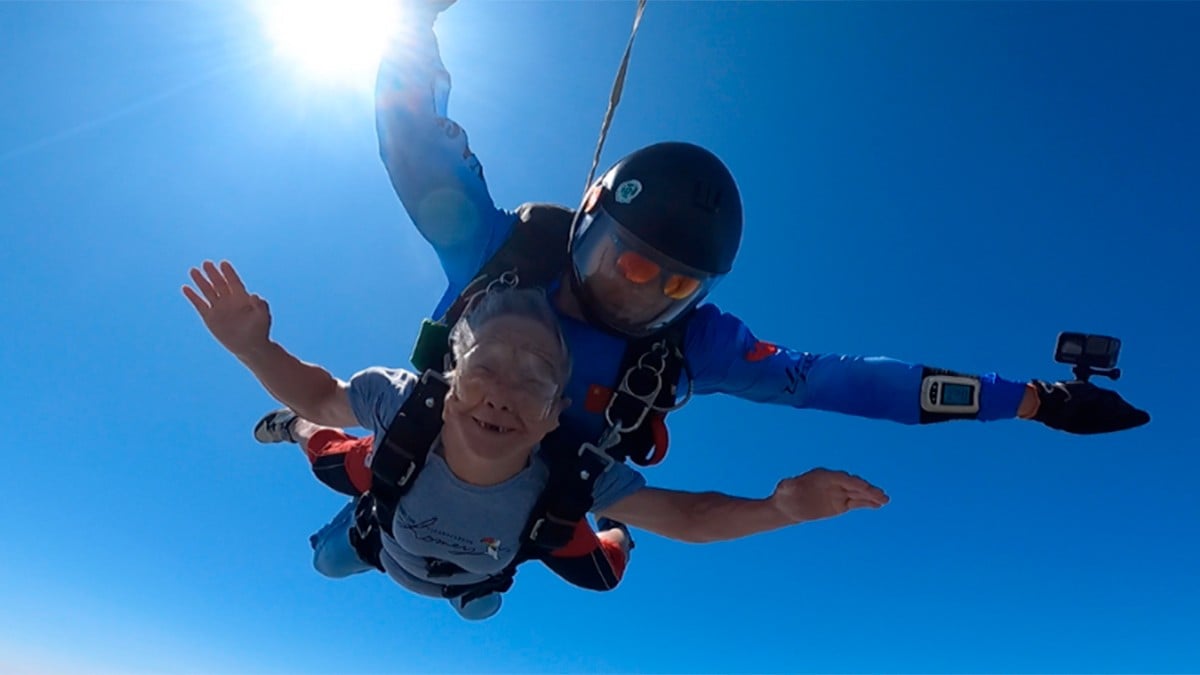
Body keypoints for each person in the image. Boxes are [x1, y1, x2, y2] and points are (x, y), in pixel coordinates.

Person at [370, 0, 1150, 471]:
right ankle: (329, 445)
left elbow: (843, 381)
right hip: (437, 439)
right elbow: (413, 144)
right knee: (352, 527)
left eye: (674, 287)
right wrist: (409, 25)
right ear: (585, 224)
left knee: (537, 544)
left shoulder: (689, 347)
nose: (638, 295)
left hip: (549, 493)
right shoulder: (500, 254)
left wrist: (1036, 401)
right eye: (627, 262)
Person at [182, 260, 890, 620]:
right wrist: (257, 350)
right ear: (450, 378)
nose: (501, 392)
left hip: (482, 563)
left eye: (533, 381)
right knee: (329, 493)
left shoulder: (570, 472)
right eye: (486, 367)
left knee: (601, 572)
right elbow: (318, 393)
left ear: (556, 416)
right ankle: (291, 439)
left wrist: (780, 507)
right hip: (383, 536)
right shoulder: (404, 408)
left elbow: (688, 517)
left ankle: (614, 530)